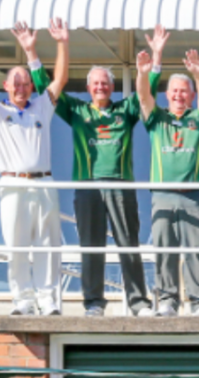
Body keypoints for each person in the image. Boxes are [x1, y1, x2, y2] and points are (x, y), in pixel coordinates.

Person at [56, 28, 165, 317]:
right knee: (91, 247)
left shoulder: (124, 110)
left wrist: (152, 63)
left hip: (121, 185)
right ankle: (93, 302)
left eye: (105, 83)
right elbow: (48, 88)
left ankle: (138, 302)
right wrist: (58, 45)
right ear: (89, 87)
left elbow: (146, 94)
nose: (101, 87)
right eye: (95, 83)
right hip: (88, 186)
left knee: (128, 244)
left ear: (112, 87)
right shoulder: (77, 111)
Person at [137, 34, 199, 318]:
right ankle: (168, 301)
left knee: (196, 250)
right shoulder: (157, 119)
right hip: (162, 195)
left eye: (185, 91)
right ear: (167, 94)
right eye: (174, 91)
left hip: (194, 196)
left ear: (191, 95)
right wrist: (151, 65)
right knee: (164, 251)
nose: (179, 95)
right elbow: (143, 96)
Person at [2, 20, 67, 316]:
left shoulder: (41, 105)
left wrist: (40, 49)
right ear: (5, 86)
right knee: (15, 246)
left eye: (25, 82)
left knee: (47, 244)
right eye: (14, 82)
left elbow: (61, 79)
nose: (20, 87)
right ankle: (23, 300)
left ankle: (48, 299)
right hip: (11, 185)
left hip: (44, 183)